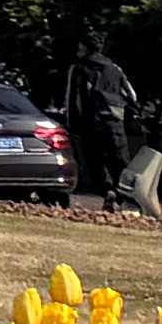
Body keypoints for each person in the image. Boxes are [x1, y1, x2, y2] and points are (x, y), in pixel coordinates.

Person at [62, 38, 135, 211]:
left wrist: (72, 124)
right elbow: (131, 96)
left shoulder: (79, 68)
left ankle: (108, 192)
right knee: (119, 160)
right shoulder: (114, 68)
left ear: (86, 49)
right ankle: (126, 197)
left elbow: (72, 99)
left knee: (96, 161)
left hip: (90, 124)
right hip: (115, 123)